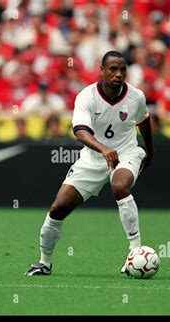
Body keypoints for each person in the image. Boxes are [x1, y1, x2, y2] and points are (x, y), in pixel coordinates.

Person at [25, 51, 154, 276]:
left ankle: (135, 252)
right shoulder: (87, 96)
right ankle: (44, 262)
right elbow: (80, 132)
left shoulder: (136, 97)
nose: (118, 74)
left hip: (127, 153)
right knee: (58, 208)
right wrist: (103, 149)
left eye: (123, 69)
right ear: (102, 70)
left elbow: (144, 119)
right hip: (93, 159)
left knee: (120, 186)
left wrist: (149, 151)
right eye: (113, 69)